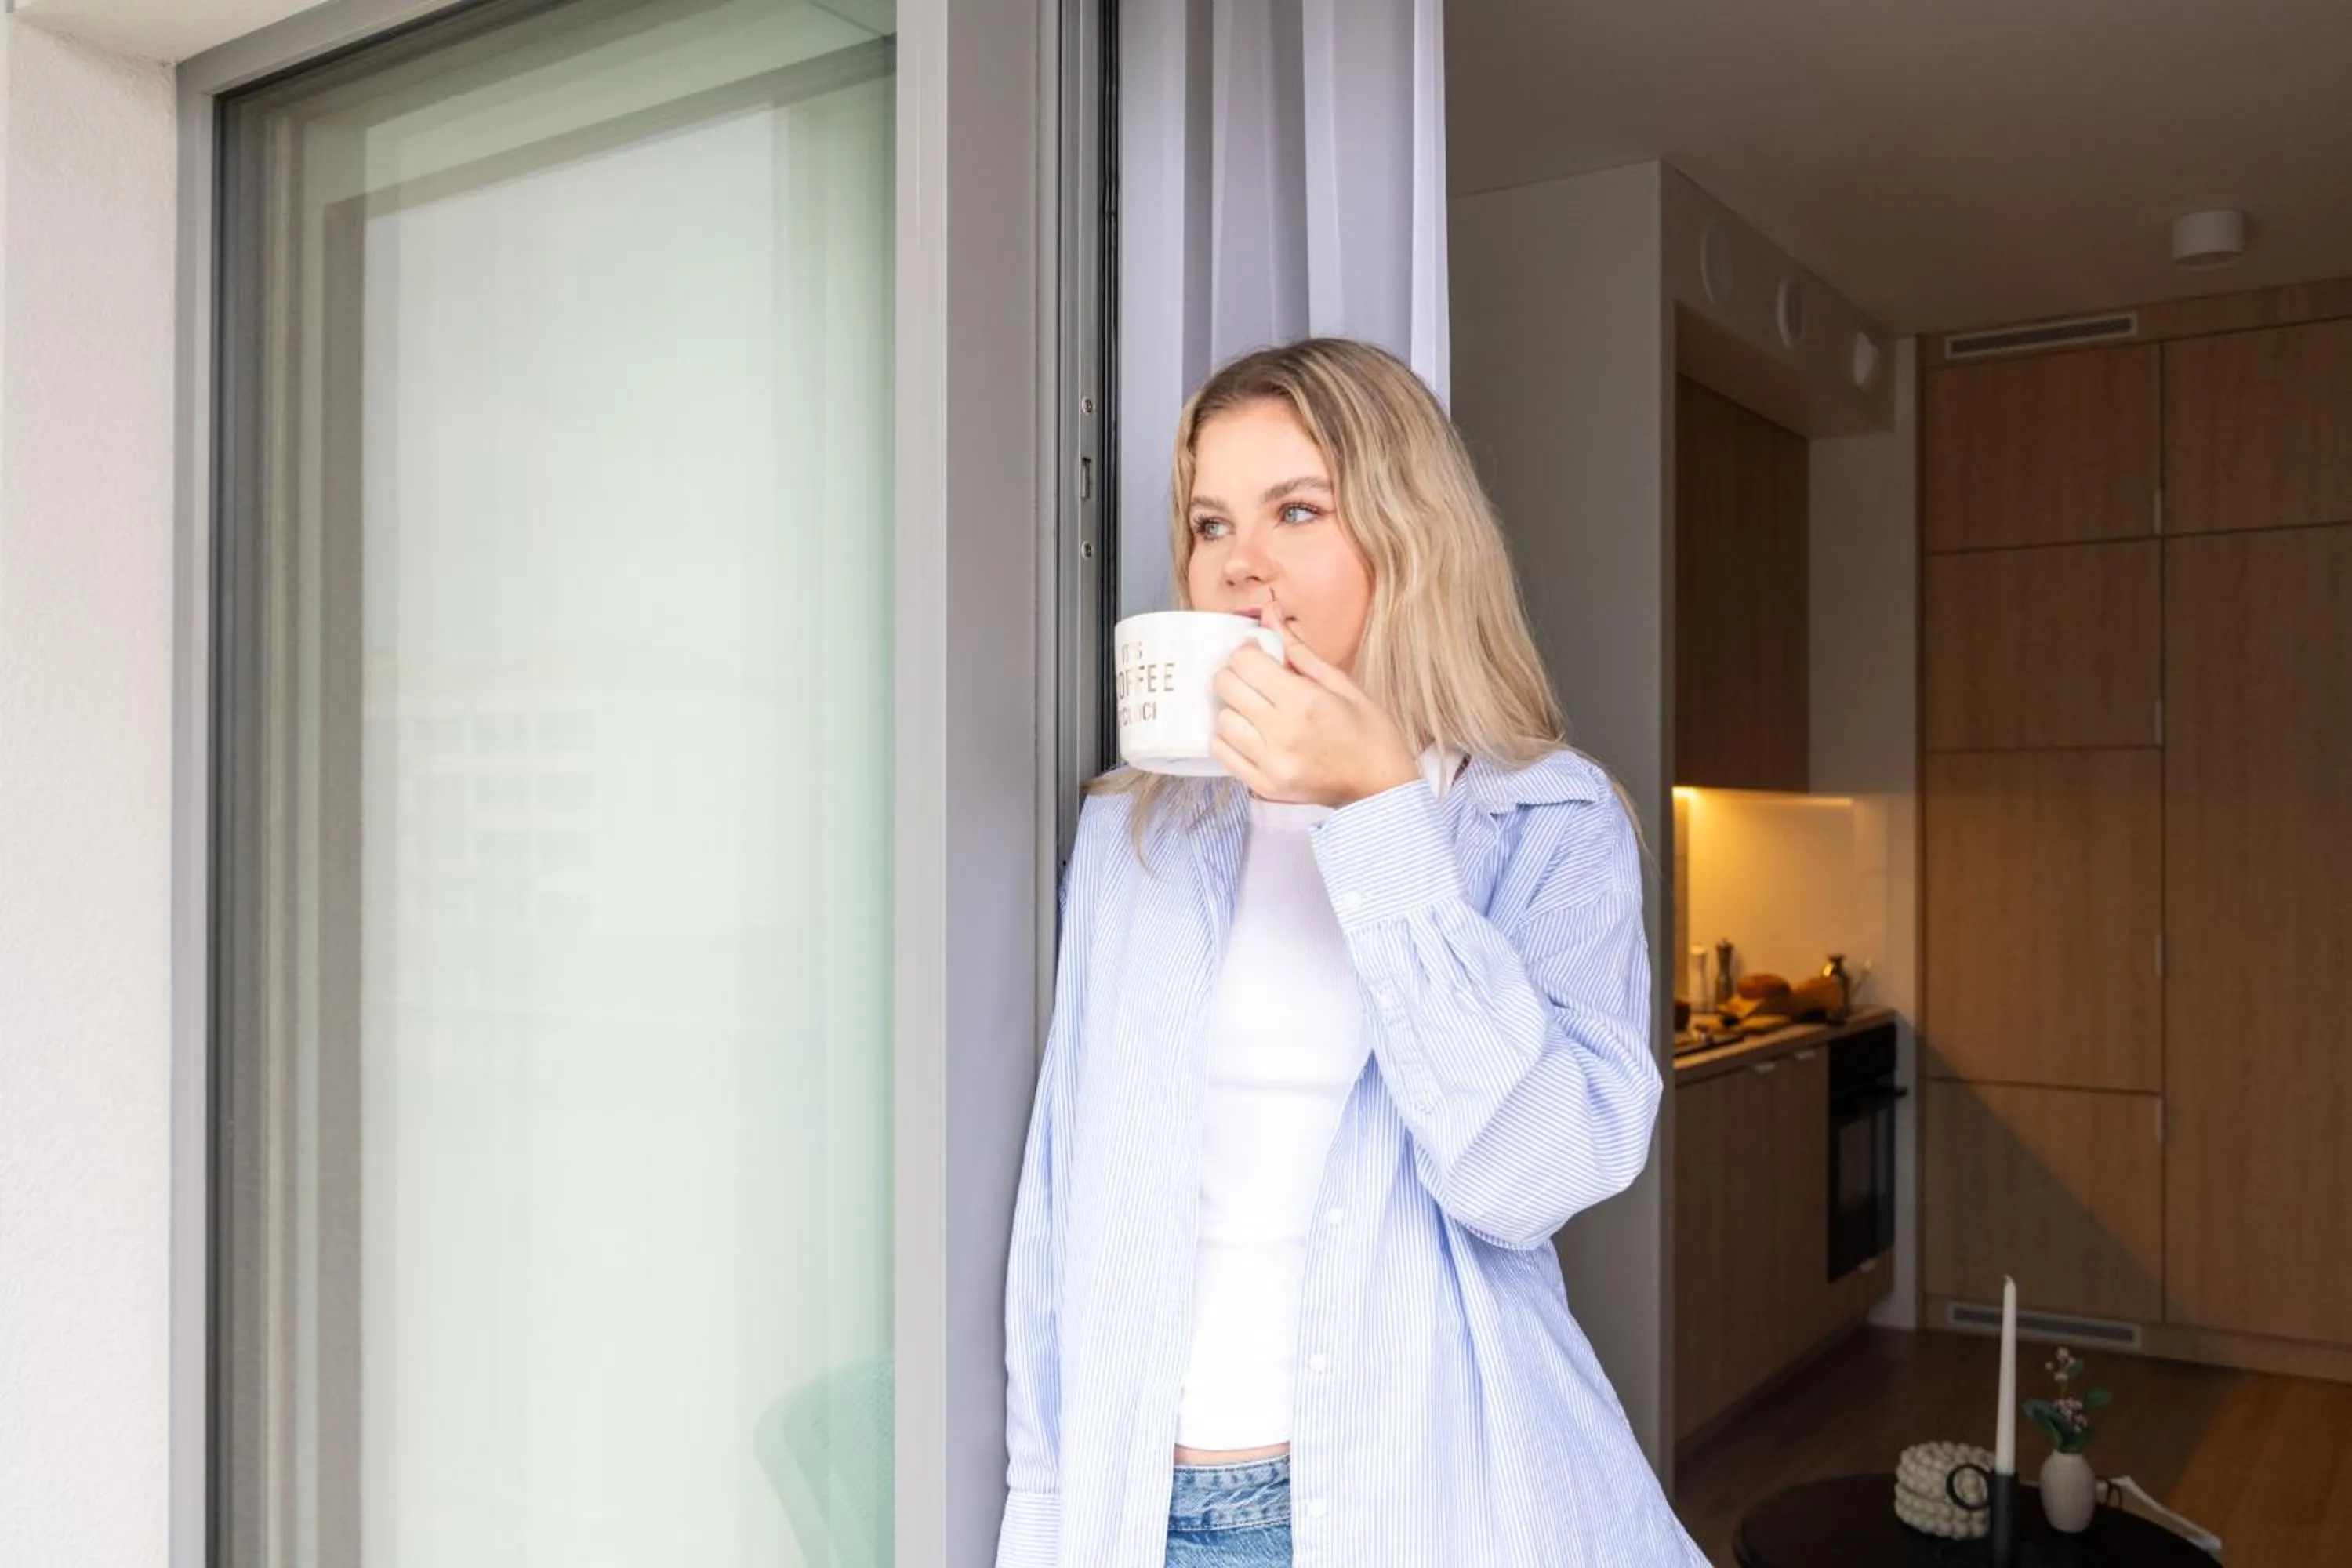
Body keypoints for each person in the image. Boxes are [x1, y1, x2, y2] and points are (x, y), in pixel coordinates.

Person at [996, 338, 1706, 1566]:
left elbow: (1531, 1180)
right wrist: (1044, 1518)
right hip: (1153, 1520)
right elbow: (1065, 1205)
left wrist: (1381, 818)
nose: (1240, 564)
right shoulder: (1132, 831)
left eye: (1297, 510)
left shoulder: (1545, 819)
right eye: (1210, 523)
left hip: (1434, 1508)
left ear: (1409, 533)